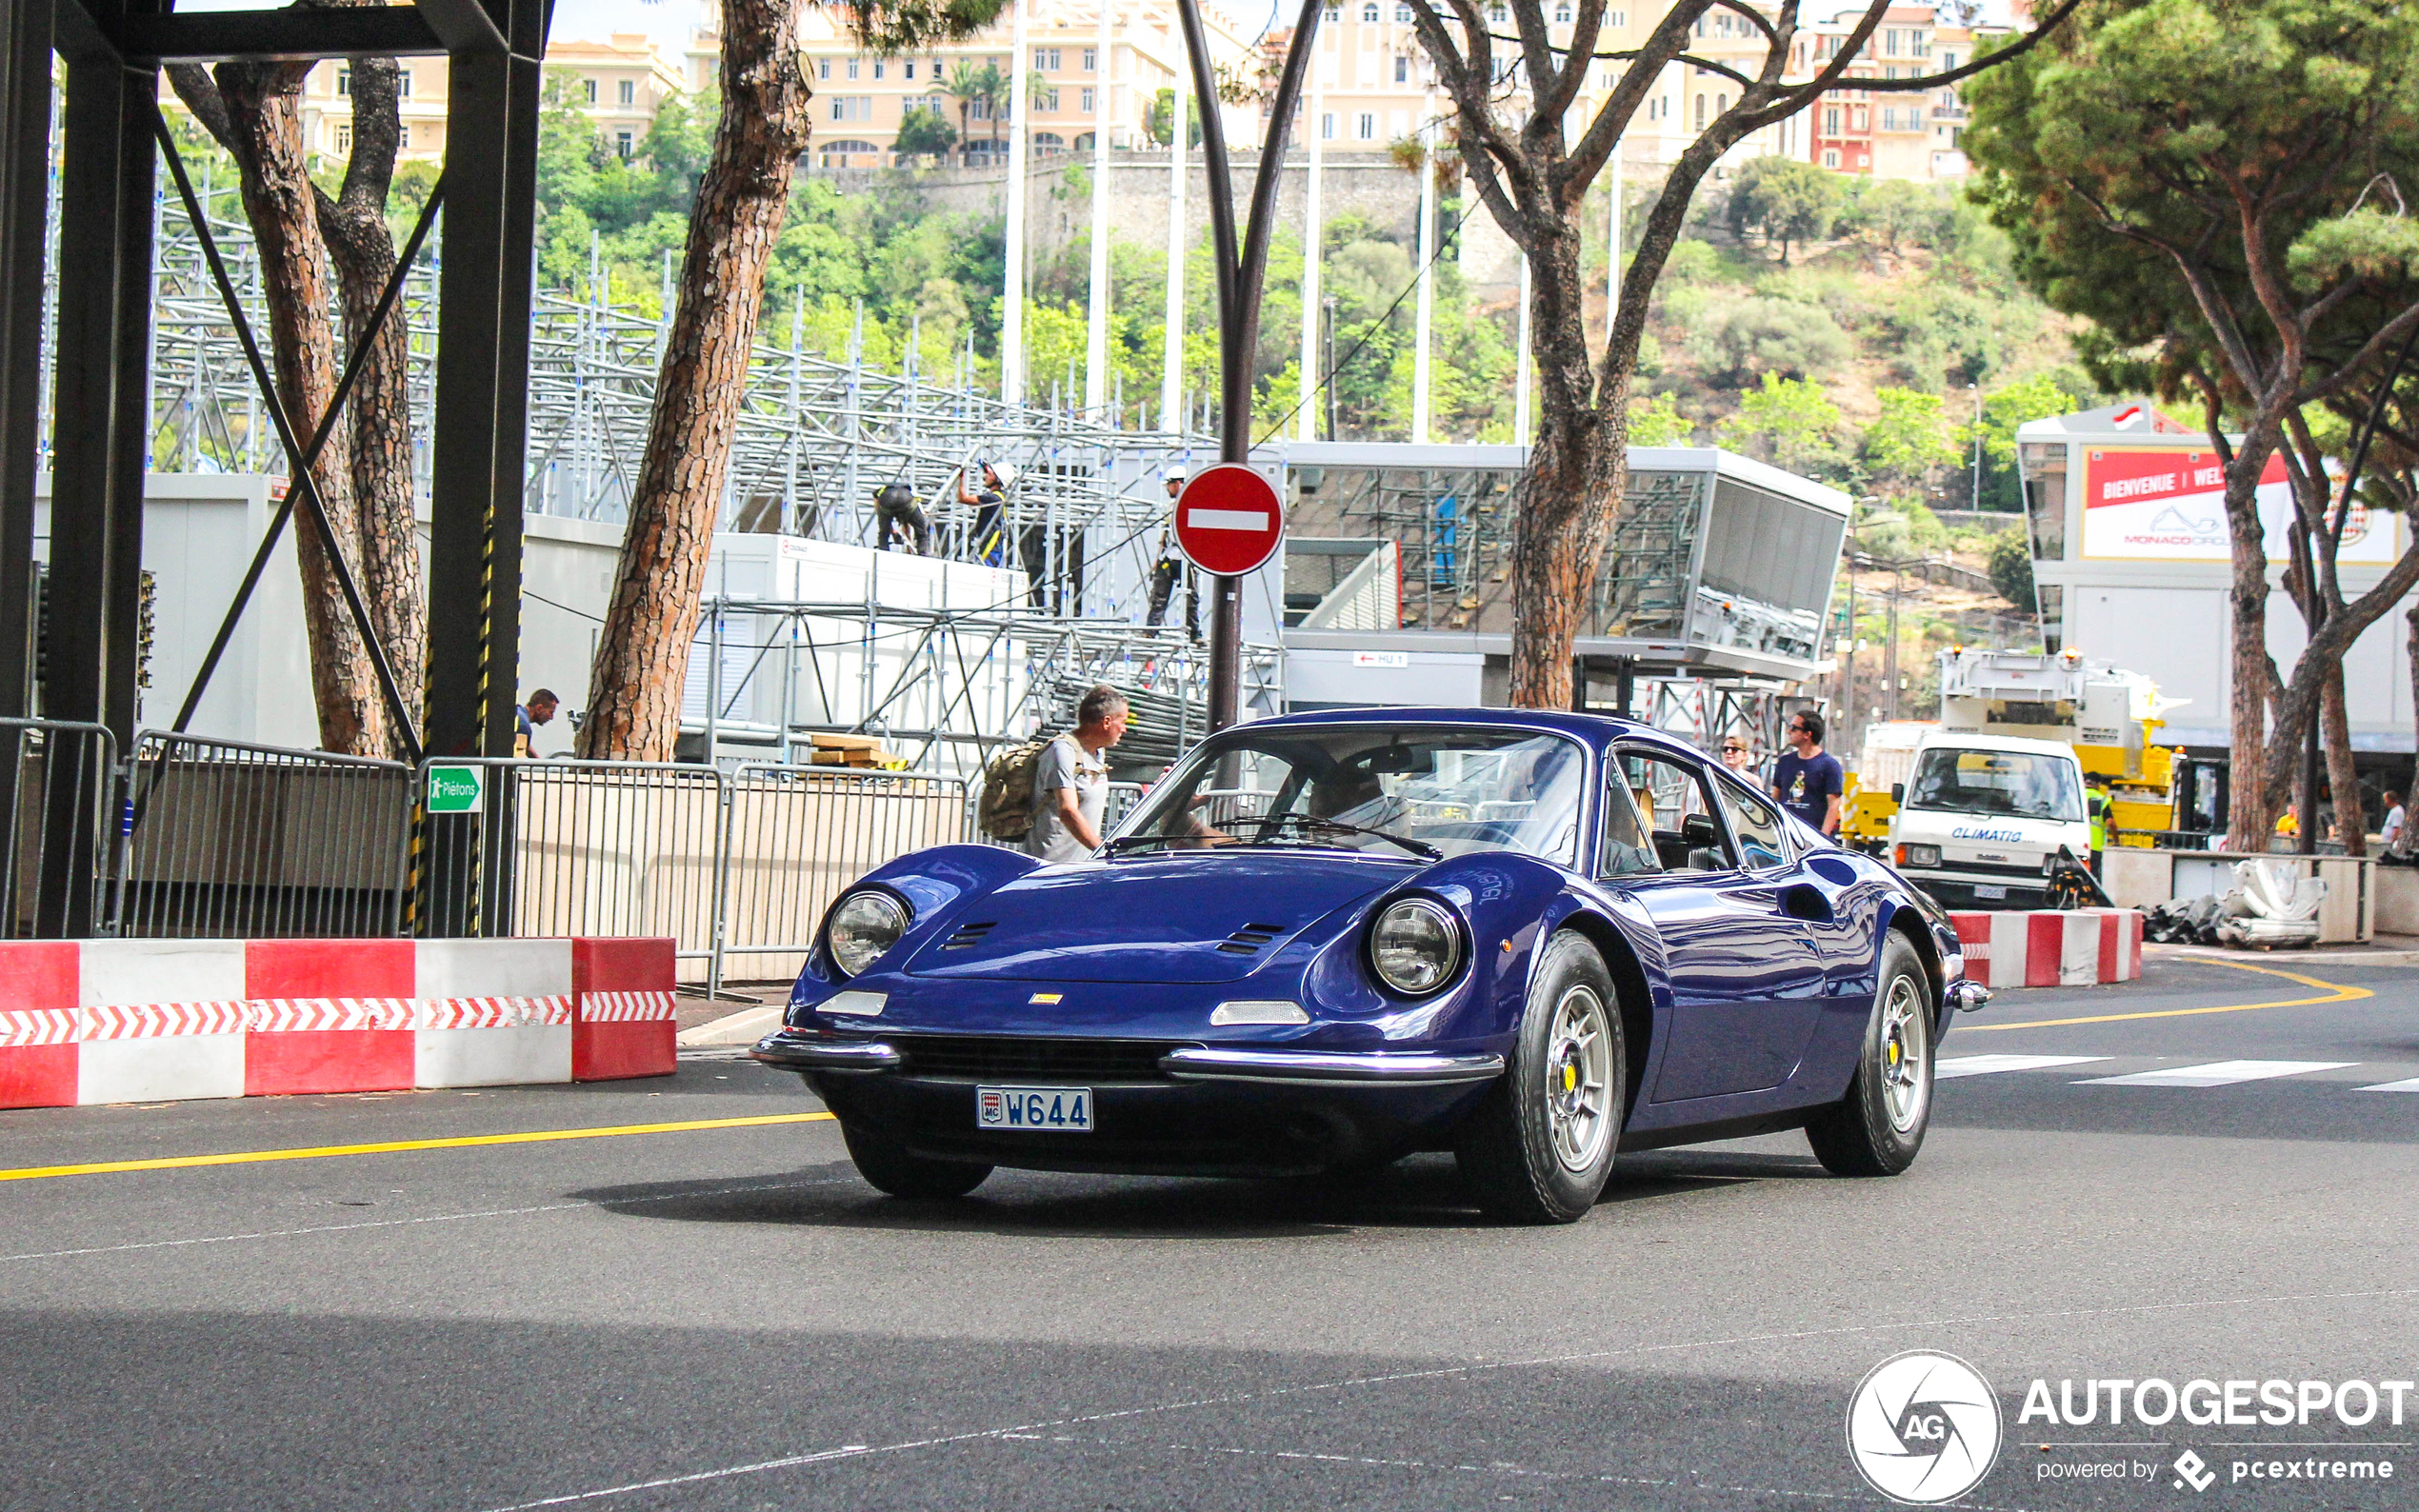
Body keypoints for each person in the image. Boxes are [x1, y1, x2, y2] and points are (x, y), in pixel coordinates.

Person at [1026, 684, 1130, 863]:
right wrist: (1103, 850)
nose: (1124, 729)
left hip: (1081, 865)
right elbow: (1067, 810)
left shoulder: (1097, 753)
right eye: (1123, 722)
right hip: (1051, 867)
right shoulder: (1063, 750)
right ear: (1106, 722)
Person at [1146, 467, 1200, 638]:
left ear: (1177, 484)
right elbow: (1166, 534)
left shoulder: (1192, 503)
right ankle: (1150, 631)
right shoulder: (1172, 505)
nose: (1167, 489)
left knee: (1191, 598)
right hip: (1170, 556)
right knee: (1159, 596)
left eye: (1169, 485)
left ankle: (1194, 634)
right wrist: (1157, 561)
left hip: (1187, 557)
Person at [1771, 709, 1844, 837]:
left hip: (1812, 837)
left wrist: (1822, 839)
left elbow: (1833, 805)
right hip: (1786, 836)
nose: (1789, 731)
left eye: (1794, 728)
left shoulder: (1829, 765)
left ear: (1807, 734)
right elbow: (1775, 798)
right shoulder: (1784, 762)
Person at [957, 459, 1018, 567]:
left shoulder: (992, 498)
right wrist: (985, 466)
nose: (985, 477)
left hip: (990, 546)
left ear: (996, 479)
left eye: (989, 474)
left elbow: (963, 499)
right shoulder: (1000, 496)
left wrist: (961, 477)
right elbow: (992, 473)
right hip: (995, 546)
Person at [871, 481, 930, 553]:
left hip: (887, 500)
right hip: (905, 500)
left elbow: (879, 509)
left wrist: (892, 532)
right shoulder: (910, 489)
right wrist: (922, 514)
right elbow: (917, 503)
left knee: (883, 533)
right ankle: (923, 553)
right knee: (922, 533)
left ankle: (883, 552)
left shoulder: (881, 491)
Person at [514, 688, 558, 758]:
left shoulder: (517, 712)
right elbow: (521, 751)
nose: (551, 717)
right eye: (551, 712)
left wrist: (539, 762)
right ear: (539, 708)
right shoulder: (524, 726)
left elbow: (526, 746)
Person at [2086, 772, 2111, 876]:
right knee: (2092, 875)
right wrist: (2116, 839)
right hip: (2095, 845)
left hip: (2075, 843)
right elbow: (2110, 822)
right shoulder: (2102, 799)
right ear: (2098, 784)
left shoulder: (2075, 795)